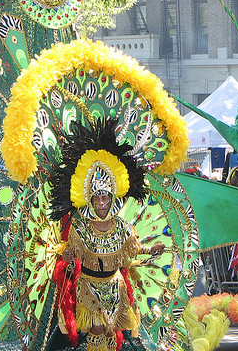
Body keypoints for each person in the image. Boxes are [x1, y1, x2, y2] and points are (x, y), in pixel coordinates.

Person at [50, 119, 166, 351]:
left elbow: (132, 249)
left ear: (112, 198)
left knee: (112, 333)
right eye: (97, 199)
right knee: (97, 330)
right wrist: (69, 257)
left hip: (116, 286)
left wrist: (151, 250)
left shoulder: (122, 226)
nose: (101, 203)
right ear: (90, 200)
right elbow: (70, 254)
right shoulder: (81, 227)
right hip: (89, 287)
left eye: (105, 198)